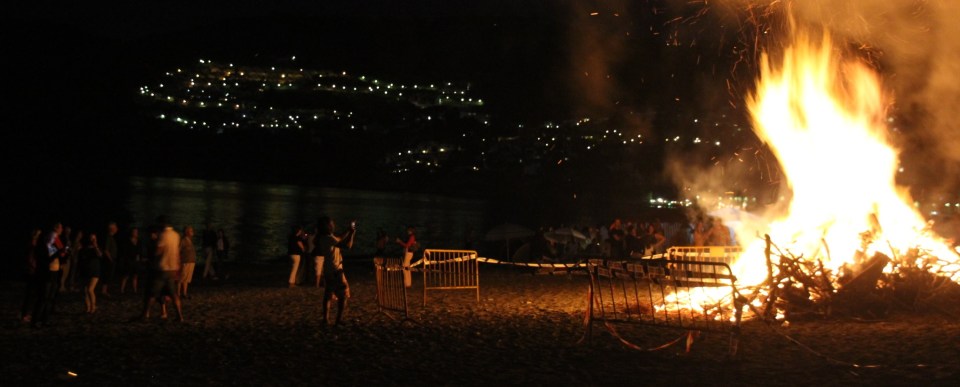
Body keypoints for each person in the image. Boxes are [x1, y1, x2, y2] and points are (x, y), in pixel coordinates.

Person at [314, 216, 356, 326]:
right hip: (336, 270)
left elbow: (339, 238)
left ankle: (325, 319)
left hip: (328, 270)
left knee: (328, 295)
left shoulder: (323, 238)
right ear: (328, 226)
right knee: (343, 295)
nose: (334, 225)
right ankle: (338, 320)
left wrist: (348, 230)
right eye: (332, 224)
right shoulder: (328, 239)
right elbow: (347, 246)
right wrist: (352, 234)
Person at [141, 217, 184, 322]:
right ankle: (180, 316)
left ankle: (145, 315)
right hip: (172, 269)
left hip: (162, 268)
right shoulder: (176, 235)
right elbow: (177, 252)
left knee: (152, 293)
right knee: (174, 294)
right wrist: (178, 266)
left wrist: (152, 259)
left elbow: (159, 251)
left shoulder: (163, 235)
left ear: (162, 224)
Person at [79, 232, 102, 314]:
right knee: (85, 291)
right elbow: (81, 257)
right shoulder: (85, 248)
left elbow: (100, 255)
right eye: (91, 238)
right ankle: (87, 308)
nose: (92, 240)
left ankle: (93, 306)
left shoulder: (97, 248)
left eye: (94, 238)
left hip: (95, 271)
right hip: (85, 271)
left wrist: (95, 246)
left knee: (90, 289)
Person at [118, 227, 141, 294]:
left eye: (136, 232)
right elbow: (125, 251)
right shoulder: (127, 241)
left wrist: (139, 256)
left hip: (136, 261)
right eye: (134, 232)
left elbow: (140, 250)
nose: (135, 233)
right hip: (129, 261)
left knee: (135, 275)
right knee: (126, 275)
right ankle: (122, 290)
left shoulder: (139, 241)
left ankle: (135, 290)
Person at [100, 222, 119, 297]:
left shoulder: (111, 237)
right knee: (107, 275)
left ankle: (105, 290)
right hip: (109, 260)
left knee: (109, 275)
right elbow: (106, 250)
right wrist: (110, 259)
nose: (117, 229)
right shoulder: (108, 237)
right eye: (115, 228)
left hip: (111, 259)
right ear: (112, 229)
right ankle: (103, 291)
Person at [179, 226, 197, 299]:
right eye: (191, 231)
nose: (192, 232)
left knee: (186, 279)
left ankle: (184, 293)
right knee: (182, 278)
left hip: (190, 261)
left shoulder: (189, 240)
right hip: (185, 261)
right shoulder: (183, 240)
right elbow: (178, 250)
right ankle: (178, 293)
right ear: (187, 232)